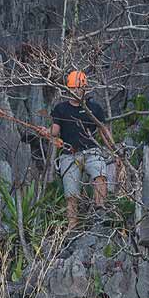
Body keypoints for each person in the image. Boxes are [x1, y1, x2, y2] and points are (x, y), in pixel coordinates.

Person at [50, 71, 121, 230]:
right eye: (72, 88)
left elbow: (103, 131)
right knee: (71, 194)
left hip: (91, 150)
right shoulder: (60, 109)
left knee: (100, 174)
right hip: (70, 154)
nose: (75, 91)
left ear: (84, 88)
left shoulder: (94, 108)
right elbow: (54, 133)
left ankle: (100, 211)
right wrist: (52, 137)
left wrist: (114, 151)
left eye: (78, 88)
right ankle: (72, 228)